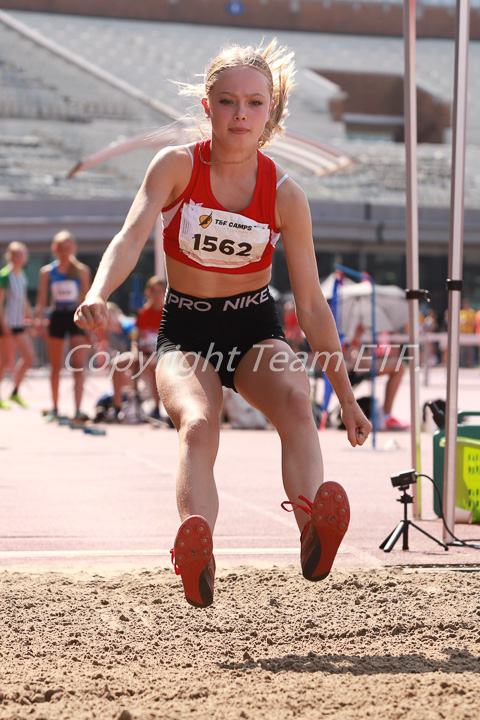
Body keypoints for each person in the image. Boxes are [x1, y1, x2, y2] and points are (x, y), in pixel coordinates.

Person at [74, 40, 372, 608]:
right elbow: (132, 234)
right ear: (207, 106)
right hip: (185, 330)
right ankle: (198, 550)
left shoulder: (286, 195)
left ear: (271, 114)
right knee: (197, 422)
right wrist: (98, 291)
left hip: (254, 326)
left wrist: (348, 398)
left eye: (254, 103)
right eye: (228, 100)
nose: (240, 113)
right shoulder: (176, 166)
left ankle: (312, 529)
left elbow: (310, 304)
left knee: (293, 398)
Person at [36, 230, 91, 422]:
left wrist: (90, 326)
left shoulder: (82, 271)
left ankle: (77, 409)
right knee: (55, 366)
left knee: (77, 365)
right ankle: (55, 408)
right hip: (57, 316)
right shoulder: (47, 272)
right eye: (61, 248)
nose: (65, 252)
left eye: (68, 248)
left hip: (76, 317)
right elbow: (42, 299)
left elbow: (87, 298)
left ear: (73, 249)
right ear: (55, 249)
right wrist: (40, 323)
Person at [344, 322, 409, 430]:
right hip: (349, 371)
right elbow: (350, 360)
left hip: (357, 366)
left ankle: (387, 415)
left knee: (399, 366)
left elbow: (353, 357)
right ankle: (386, 415)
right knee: (399, 366)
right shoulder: (341, 325)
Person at [0, 242, 35, 408]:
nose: (20, 258)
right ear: (11, 257)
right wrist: (3, 324)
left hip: (18, 324)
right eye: (17, 255)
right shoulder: (4, 275)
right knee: (5, 361)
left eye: (23, 255)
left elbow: (24, 300)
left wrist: (32, 317)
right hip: (6, 324)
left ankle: (14, 392)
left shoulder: (22, 275)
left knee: (29, 357)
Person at [135, 276, 166, 419]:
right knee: (117, 364)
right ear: (149, 292)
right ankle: (120, 407)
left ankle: (156, 408)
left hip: (163, 355)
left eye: (161, 291)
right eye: (155, 291)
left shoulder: (169, 314)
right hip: (144, 354)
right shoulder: (143, 314)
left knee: (154, 366)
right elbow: (138, 340)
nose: (157, 295)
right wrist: (137, 353)